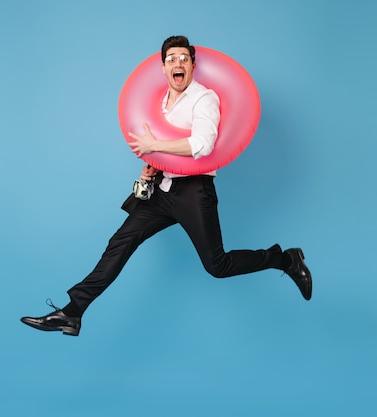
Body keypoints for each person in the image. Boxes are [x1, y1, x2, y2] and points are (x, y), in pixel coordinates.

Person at [20, 35, 312, 337]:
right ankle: (72, 313)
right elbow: (162, 147)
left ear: (193, 65)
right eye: (171, 58)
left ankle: (285, 258)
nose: (178, 63)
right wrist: (151, 168)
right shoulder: (159, 102)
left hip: (193, 192)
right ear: (163, 67)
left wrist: (154, 144)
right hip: (161, 189)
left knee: (218, 265)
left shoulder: (204, 98)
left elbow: (203, 144)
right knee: (119, 244)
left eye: (184, 58)